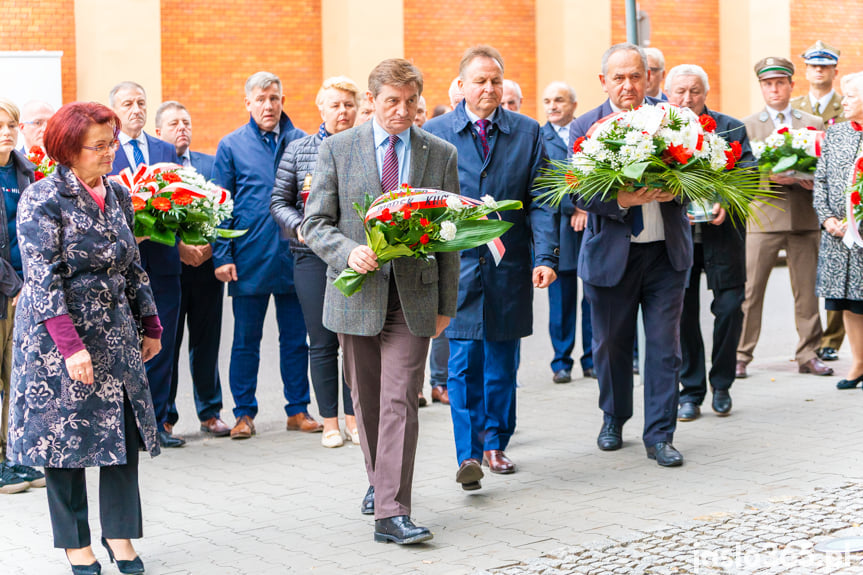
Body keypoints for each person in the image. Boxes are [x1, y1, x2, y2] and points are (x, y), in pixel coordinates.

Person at [302, 58, 460, 545]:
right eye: (392, 101)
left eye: (411, 102)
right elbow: (314, 224)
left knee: (400, 401)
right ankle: (379, 480)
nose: (403, 111)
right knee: (367, 402)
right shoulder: (336, 149)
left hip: (415, 298)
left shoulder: (440, 153)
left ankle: (392, 511)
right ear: (372, 101)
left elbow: (451, 234)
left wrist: (446, 306)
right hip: (358, 296)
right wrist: (350, 253)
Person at [7, 101, 163, 575]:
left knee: (123, 433)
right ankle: (77, 544)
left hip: (116, 335)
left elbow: (133, 265)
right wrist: (70, 346)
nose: (110, 152)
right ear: (68, 150)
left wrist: (150, 324)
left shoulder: (117, 193)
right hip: (59, 342)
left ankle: (119, 535)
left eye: (111, 141)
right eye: (99, 145)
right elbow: (43, 279)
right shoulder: (42, 198)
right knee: (64, 441)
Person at [425, 45, 558, 485]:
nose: (488, 89)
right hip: (456, 267)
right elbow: (423, 201)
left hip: (510, 266)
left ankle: (496, 443)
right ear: (461, 86)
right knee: (461, 364)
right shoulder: (436, 131)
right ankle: (468, 455)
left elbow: (541, 200)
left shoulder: (527, 131)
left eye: (496, 81)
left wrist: (545, 257)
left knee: (502, 360)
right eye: (479, 81)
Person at [570, 42, 689, 467]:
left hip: (665, 254)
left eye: (635, 76)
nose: (628, 85)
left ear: (648, 79)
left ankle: (660, 435)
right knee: (610, 346)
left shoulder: (675, 121)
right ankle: (614, 416)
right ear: (604, 82)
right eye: (618, 77)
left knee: (663, 347)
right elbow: (578, 191)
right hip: (611, 256)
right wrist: (623, 199)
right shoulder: (585, 125)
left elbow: (702, 174)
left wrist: (685, 186)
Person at [212, 72, 316, 440]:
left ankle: (298, 410)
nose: (268, 105)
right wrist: (222, 255)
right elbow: (220, 205)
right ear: (248, 103)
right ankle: (243, 413)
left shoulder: (303, 142)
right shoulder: (231, 146)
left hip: (295, 258)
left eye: (274, 98)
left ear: (282, 100)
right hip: (249, 259)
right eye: (261, 99)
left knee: (295, 339)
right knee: (244, 342)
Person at [270, 76, 360, 448]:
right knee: (321, 342)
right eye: (335, 104)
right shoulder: (297, 150)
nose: (342, 111)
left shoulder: (367, 148)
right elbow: (279, 202)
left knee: (355, 341)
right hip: (310, 258)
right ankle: (329, 421)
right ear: (320, 108)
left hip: (357, 257)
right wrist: (301, 227)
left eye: (348, 105)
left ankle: (355, 419)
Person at [665, 65, 754, 421]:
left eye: (695, 91)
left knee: (730, 307)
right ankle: (691, 391)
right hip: (679, 237)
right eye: (680, 91)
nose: (688, 99)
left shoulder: (731, 127)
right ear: (668, 94)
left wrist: (725, 201)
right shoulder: (656, 130)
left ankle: (722, 384)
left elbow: (748, 172)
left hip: (723, 235)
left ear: (707, 92)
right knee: (683, 315)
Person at [736, 58, 831, 379]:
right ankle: (741, 355)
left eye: (780, 82)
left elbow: (827, 171)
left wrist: (811, 179)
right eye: (768, 83)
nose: (774, 89)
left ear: (792, 85)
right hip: (763, 219)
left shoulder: (813, 123)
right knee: (750, 292)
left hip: (804, 218)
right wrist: (770, 179)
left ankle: (808, 353)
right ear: (761, 87)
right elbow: (740, 176)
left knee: (807, 291)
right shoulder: (747, 125)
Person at [109, 81, 186, 448]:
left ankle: (154, 424)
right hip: (121, 267)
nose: (136, 109)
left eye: (141, 102)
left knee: (163, 343)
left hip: (164, 261)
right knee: (126, 345)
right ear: (115, 111)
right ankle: (125, 426)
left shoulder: (165, 149)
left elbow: (179, 198)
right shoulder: (106, 149)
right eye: (128, 103)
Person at [154, 101, 230, 437]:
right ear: (159, 133)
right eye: (174, 124)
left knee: (207, 340)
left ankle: (210, 412)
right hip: (169, 268)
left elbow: (227, 209)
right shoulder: (155, 171)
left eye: (186, 122)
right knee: (166, 342)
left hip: (207, 269)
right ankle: (165, 415)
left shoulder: (210, 164)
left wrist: (212, 248)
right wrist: (180, 249)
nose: (182, 128)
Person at [791, 40, 846, 363]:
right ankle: (807, 338)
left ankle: (832, 339)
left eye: (824, 66)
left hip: (837, 202)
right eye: (814, 66)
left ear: (834, 71)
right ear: (807, 71)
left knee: (840, 272)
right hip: (801, 200)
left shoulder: (849, 104)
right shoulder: (795, 105)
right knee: (808, 275)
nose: (819, 71)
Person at [0, 98, 42, 494]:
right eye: (0, 125)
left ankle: (14, 457)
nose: (6, 132)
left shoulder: (25, 171)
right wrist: (15, 286)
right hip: (8, 292)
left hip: (25, 293)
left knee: (18, 378)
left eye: (11, 125)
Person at [813, 71, 863, 390]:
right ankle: (858, 364)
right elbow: (821, 181)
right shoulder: (836, 134)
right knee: (847, 303)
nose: (843, 101)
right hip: (837, 239)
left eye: (850, 96)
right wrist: (828, 217)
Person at [541, 81, 591, 383]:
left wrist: (588, 208)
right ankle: (561, 361)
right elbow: (543, 187)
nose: (552, 106)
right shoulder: (539, 137)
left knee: (594, 298)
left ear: (573, 104)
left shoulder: (587, 133)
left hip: (593, 228)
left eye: (559, 100)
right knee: (561, 300)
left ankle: (593, 359)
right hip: (560, 230)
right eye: (547, 101)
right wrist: (574, 208)